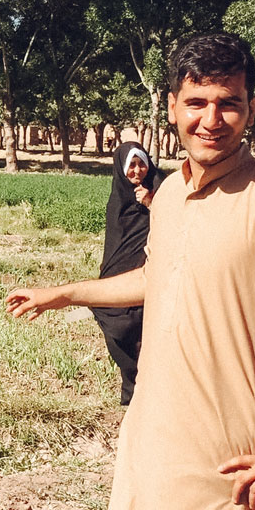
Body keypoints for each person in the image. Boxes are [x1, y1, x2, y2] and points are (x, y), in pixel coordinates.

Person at [6, 33, 255, 510]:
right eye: (196, 102)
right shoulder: (171, 194)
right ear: (173, 107)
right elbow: (159, 278)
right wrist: (66, 293)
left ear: (252, 109)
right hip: (155, 451)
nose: (211, 120)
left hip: (239, 474)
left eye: (229, 103)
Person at [91, 141, 164, 405]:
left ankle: (139, 395)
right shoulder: (117, 199)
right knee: (113, 321)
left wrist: (151, 203)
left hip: (150, 273)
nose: (137, 170)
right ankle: (132, 385)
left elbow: (177, 222)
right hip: (120, 272)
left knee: (145, 333)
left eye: (141, 163)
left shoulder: (163, 190)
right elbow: (114, 244)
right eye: (131, 165)